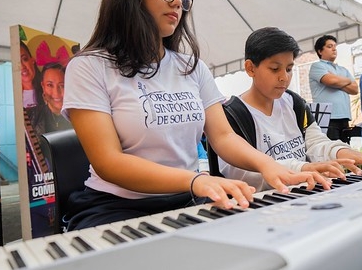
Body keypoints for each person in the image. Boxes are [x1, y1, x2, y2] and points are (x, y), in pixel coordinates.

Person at [61, 0, 328, 230]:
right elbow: (109, 161)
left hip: (187, 199)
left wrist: (272, 167)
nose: (177, 2)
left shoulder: (193, 68)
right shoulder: (89, 66)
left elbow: (223, 137)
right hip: (116, 207)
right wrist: (196, 181)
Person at [217, 27, 362, 191]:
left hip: (302, 191)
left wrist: (343, 153)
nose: (284, 77)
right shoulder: (233, 113)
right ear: (250, 68)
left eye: (289, 69)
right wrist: (303, 168)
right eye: (275, 69)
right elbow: (239, 172)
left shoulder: (294, 103)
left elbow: (316, 142)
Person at [309, 35, 358, 141]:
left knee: (345, 150)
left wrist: (338, 82)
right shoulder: (317, 66)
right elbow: (331, 81)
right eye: (329, 46)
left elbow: (355, 89)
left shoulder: (342, 69)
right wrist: (346, 80)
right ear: (320, 51)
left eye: (335, 46)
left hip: (344, 117)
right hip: (328, 118)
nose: (334, 49)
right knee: (332, 152)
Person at [31, 62, 71, 136]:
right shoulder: (30, 116)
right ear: (43, 86)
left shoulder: (79, 117)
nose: (56, 93)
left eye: (62, 85)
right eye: (50, 85)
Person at [20, 41, 42, 109]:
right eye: (15, 62)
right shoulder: (10, 98)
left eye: (24, 59)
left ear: (32, 60)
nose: (22, 66)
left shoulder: (50, 88)